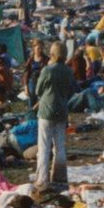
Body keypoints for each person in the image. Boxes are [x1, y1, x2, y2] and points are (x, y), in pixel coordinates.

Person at [30, 42, 74, 194]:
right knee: (60, 146)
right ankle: (60, 178)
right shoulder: (68, 71)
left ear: (53, 53)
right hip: (62, 110)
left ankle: (42, 179)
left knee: (44, 146)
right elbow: (71, 90)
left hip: (46, 110)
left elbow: (38, 90)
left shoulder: (47, 70)